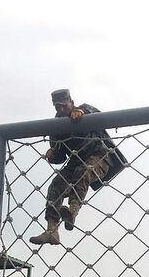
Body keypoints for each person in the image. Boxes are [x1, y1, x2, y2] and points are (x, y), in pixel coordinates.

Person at [30, 89, 125, 245]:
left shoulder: (84, 109)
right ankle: (51, 230)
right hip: (75, 161)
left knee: (84, 172)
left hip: (99, 155)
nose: (61, 110)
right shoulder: (57, 125)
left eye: (64, 106)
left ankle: (72, 212)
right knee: (56, 184)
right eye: (57, 107)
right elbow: (59, 154)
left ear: (71, 102)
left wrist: (83, 114)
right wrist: (52, 154)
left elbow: (100, 116)